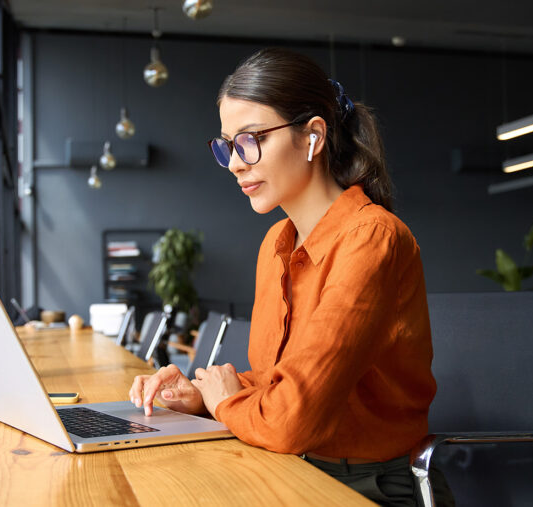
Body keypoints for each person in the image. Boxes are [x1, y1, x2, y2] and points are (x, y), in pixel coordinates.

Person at [128, 47, 452, 506]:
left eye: (251, 139)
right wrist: (202, 395)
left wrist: (225, 403)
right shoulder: (276, 243)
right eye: (226, 145)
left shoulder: (371, 238)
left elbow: (293, 418)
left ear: (313, 136)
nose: (236, 162)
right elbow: (279, 382)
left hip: (370, 486)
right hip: (289, 466)